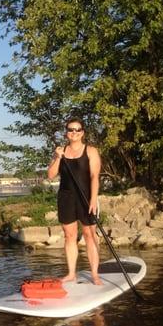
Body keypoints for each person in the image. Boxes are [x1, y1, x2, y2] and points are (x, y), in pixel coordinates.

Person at [47, 117, 103, 285]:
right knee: (69, 236)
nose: (74, 132)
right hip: (66, 197)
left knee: (89, 235)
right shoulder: (60, 152)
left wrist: (93, 199)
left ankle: (94, 274)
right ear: (67, 133)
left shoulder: (91, 151)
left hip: (86, 197)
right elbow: (50, 175)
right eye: (71, 129)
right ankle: (71, 273)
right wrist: (57, 157)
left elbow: (94, 177)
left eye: (77, 130)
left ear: (82, 133)